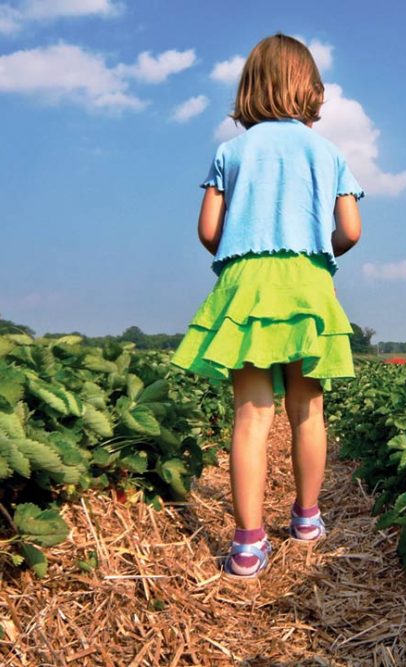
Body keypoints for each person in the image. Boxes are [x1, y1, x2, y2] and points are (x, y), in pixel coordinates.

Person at [171, 34, 364, 579]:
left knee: (251, 416)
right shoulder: (328, 153)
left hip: (245, 284)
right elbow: (350, 229)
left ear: (250, 88)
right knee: (309, 410)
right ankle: (306, 520)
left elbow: (208, 230)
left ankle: (248, 545)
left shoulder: (230, 152)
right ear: (311, 89)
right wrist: (323, 248)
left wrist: (237, 254)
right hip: (306, 283)